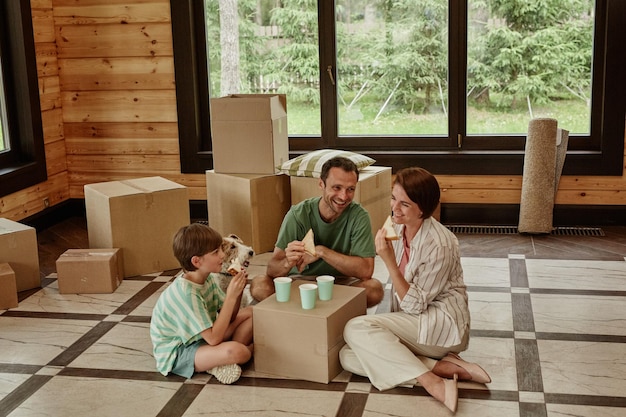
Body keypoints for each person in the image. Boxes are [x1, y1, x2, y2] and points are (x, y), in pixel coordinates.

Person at [339, 167, 491, 413]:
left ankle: (432, 383)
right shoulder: (398, 228)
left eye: (405, 205)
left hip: (442, 325)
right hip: (414, 322)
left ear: (423, 209)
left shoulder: (441, 243)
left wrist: (387, 260)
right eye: (393, 198)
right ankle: (438, 368)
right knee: (347, 356)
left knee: (356, 327)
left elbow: (414, 304)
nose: (394, 209)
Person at [250, 156, 384, 307]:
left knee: (374, 289)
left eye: (350, 189)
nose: (343, 197)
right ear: (321, 184)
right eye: (336, 188)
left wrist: (320, 251)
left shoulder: (359, 216)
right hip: (300, 283)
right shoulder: (298, 214)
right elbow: (272, 270)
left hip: (341, 283)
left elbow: (366, 271)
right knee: (260, 285)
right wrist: (288, 262)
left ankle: (325, 311)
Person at [150, 223, 253, 384]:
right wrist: (231, 297)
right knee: (239, 352)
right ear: (197, 261)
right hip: (180, 351)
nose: (222, 255)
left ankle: (219, 359)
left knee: (252, 312)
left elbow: (231, 316)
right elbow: (213, 339)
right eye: (215, 252)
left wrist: (238, 290)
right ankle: (226, 358)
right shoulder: (186, 293)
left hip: (203, 335)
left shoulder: (208, 278)